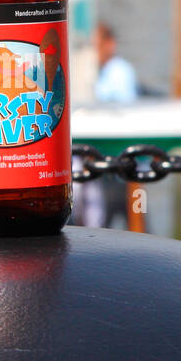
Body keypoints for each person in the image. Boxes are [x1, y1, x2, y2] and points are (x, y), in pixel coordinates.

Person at [76, 23, 141, 229]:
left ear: (110, 44)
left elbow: (124, 113)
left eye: (97, 45)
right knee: (119, 219)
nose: (94, 51)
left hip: (123, 164)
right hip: (109, 168)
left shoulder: (119, 72)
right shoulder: (100, 72)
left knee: (137, 215)